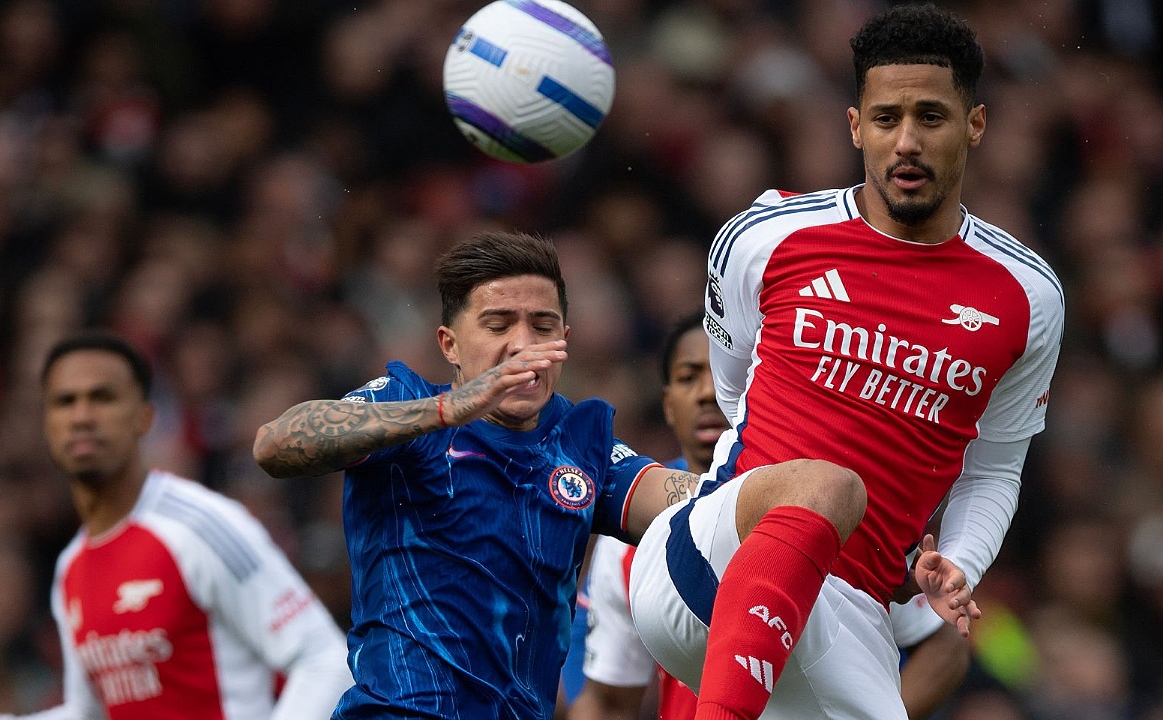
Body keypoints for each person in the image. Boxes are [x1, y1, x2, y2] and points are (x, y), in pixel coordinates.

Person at [627, 5, 1064, 720]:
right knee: (829, 484)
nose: (908, 141)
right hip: (709, 561)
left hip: (847, 614)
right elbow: (737, 399)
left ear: (975, 125)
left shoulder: (1029, 297)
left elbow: (994, 470)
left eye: (932, 116)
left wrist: (959, 563)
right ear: (856, 126)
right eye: (887, 118)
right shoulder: (766, 238)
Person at [252, 230, 698, 720]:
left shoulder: (582, 442)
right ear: (451, 344)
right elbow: (276, 444)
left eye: (542, 325)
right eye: (497, 324)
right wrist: (447, 409)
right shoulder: (406, 403)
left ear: (563, 341)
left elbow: (699, 505)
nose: (521, 345)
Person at [0, 331, 355, 720]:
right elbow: (92, 715)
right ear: (47, 425)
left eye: (102, 397)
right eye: (65, 401)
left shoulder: (199, 525)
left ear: (144, 417)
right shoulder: (71, 570)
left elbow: (323, 657)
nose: (81, 415)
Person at [570, 314, 969, 720]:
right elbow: (609, 701)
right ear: (668, 404)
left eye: (725, 374)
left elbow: (943, 647)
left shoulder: (818, 510)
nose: (708, 392)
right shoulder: (629, 548)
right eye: (689, 377)